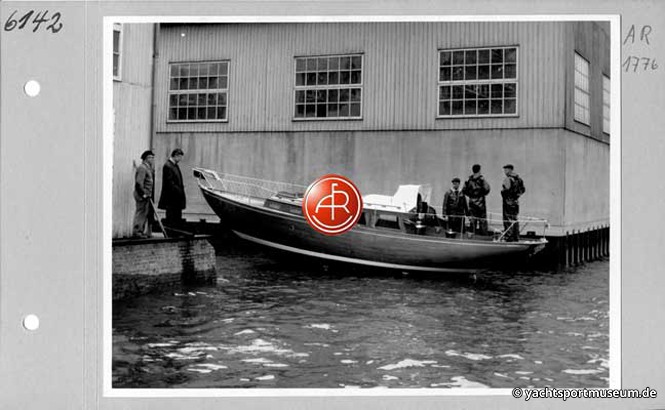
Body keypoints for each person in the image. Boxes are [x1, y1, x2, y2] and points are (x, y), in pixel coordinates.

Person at [158, 148, 186, 233]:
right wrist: (178, 190)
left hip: (175, 198)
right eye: (180, 157)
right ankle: (171, 232)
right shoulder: (168, 166)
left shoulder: (173, 165)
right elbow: (170, 183)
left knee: (176, 216)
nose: (180, 159)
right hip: (172, 198)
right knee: (172, 216)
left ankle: (175, 232)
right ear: (176, 156)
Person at [132, 150, 155, 238]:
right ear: (146, 158)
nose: (152, 159)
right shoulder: (143, 168)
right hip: (142, 195)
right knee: (140, 213)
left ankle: (140, 231)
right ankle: (137, 232)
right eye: (150, 157)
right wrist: (143, 194)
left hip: (146, 195)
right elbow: (139, 183)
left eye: (152, 158)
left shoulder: (147, 168)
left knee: (144, 213)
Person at [462, 164, 491, 235]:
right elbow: (487, 189)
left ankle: (472, 235)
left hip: (472, 201)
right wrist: (481, 194)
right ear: (479, 170)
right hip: (481, 202)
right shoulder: (482, 179)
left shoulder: (468, 179)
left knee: (473, 220)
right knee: (482, 220)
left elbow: (464, 190)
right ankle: (483, 236)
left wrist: (470, 195)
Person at [501, 164, 525, 242]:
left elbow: (506, 189)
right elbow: (523, 190)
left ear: (510, 170)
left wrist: (503, 193)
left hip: (508, 201)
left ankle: (508, 237)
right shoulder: (519, 179)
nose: (505, 172)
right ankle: (516, 237)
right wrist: (517, 196)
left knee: (507, 220)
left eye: (506, 170)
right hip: (515, 202)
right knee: (515, 219)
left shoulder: (508, 179)